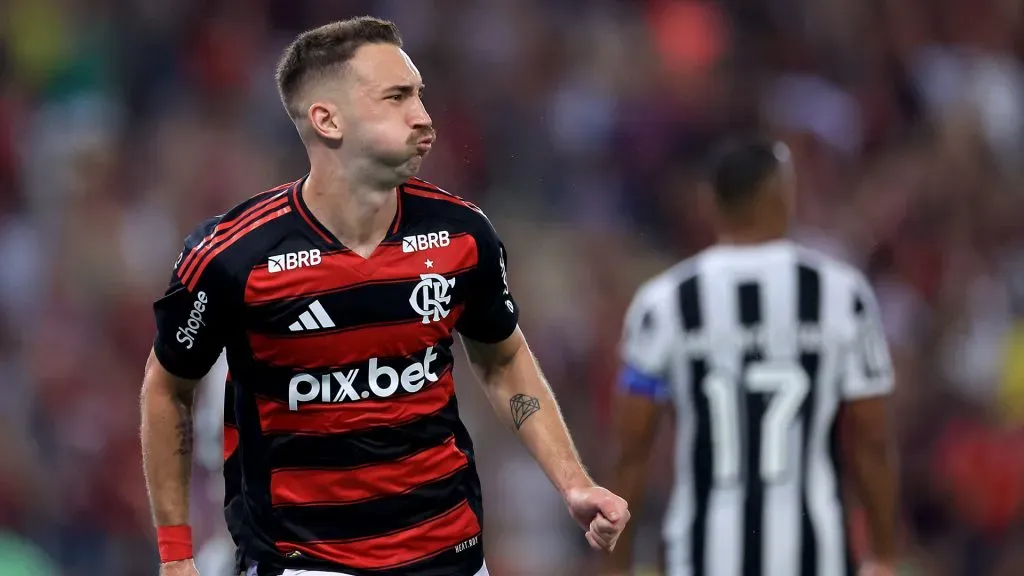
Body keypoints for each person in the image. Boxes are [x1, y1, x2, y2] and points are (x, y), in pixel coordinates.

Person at [140, 16, 629, 576]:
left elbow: (503, 358)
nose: (424, 117)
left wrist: (574, 483)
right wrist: (176, 556)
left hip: (451, 556)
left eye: (419, 96)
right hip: (304, 563)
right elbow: (167, 387)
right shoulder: (233, 256)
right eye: (397, 97)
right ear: (328, 119)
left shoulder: (462, 234)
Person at [601, 139, 898, 576]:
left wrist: (614, 567)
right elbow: (872, 439)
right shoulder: (842, 295)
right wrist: (885, 554)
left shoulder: (664, 303)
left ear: (710, 203)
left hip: (701, 554)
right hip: (817, 554)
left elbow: (632, 451)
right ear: (785, 194)